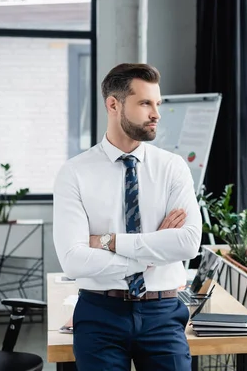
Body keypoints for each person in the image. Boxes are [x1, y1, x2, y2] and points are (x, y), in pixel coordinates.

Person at [52, 63, 202, 370]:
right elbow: (73, 260)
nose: (156, 114)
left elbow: (187, 244)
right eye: (145, 103)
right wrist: (152, 252)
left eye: (157, 103)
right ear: (113, 104)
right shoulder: (75, 173)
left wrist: (107, 242)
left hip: (163, 313)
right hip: (99, 312)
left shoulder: (172, 168)